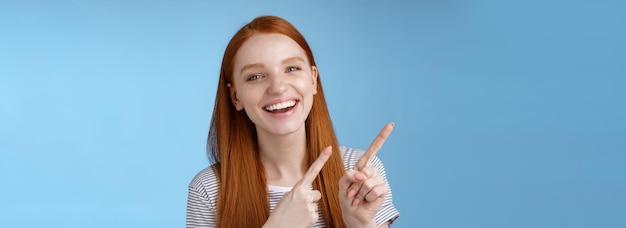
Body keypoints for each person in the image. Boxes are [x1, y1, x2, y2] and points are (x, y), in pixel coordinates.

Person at [186, 15, 399, 228]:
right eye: (255, 77)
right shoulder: (209, 189)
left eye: (292, 69)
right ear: (235, 97)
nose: (278, 87)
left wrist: (360, 224)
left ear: (313, 80)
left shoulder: (357, 172)